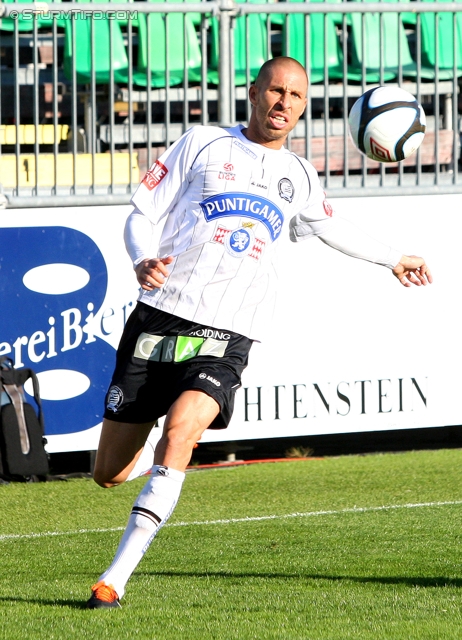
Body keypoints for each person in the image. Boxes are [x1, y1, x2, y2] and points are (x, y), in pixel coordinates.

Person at [86, 57, 432, 608]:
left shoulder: (299, 176)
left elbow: (330, 227)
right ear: (253, 92)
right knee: (109, 472)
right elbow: (140, 211)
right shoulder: (201, 143)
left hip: (230, 331)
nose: (284, 104)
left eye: (296, 96)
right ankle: (149, 440)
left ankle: (115, 579)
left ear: (303, 107)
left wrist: (393, 258)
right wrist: (141, 257)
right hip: (160, 317)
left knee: (181, 435)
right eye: (276, 91)